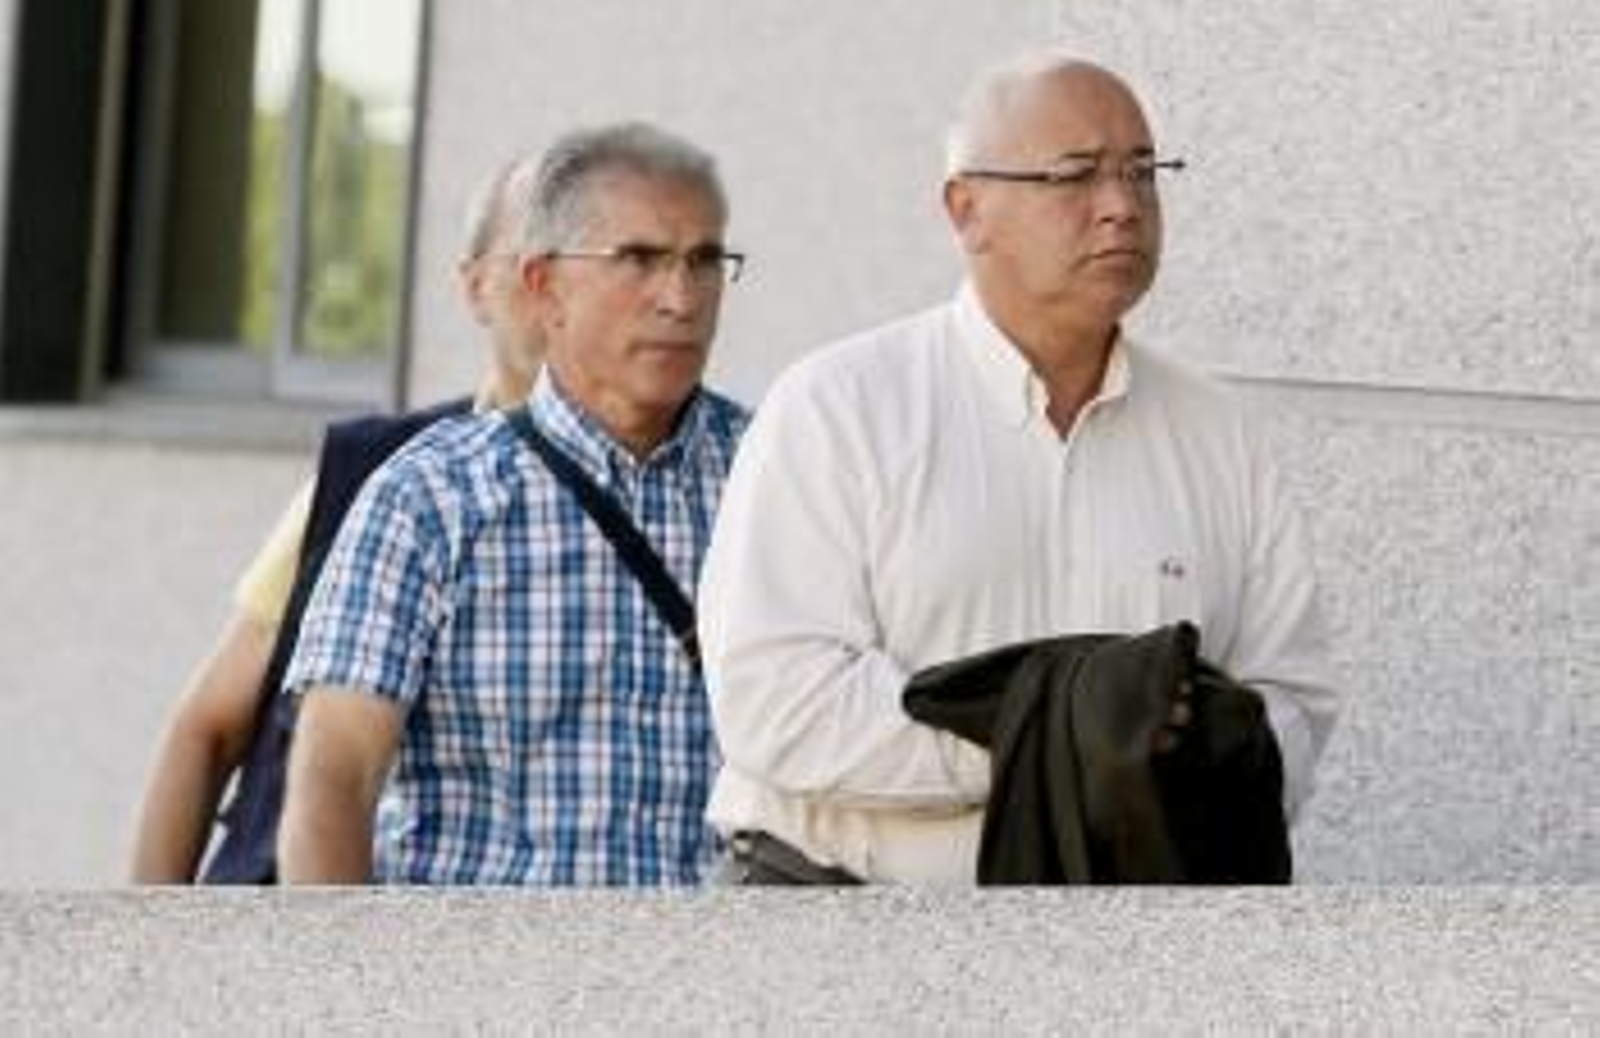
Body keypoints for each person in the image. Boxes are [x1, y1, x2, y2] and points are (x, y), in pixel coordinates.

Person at [697, 51, 1342, 884]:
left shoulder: (1217, 434)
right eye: (1076, 176)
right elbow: (777, 700)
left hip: (1121, 960)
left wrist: (1183, 756)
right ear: (967, 211)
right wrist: (1070, 748)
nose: (1120, 207)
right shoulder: (839, 407)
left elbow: (1289, 696)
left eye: (1142, 173)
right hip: (838, 927)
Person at [277, 122, 750, 885]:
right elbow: (335, 775)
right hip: (476, 986)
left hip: (714, 986)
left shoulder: (776, 477)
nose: (681, 297)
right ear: (544, 285)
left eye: (704, 261)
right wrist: (347, 989)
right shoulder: (428, 495)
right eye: (639, 258)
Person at [128, 155, 545, 883]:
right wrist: (140, 960)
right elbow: (207, 726)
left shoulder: (691, 486)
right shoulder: (372, 470)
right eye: (538, 260)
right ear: (477, 286)